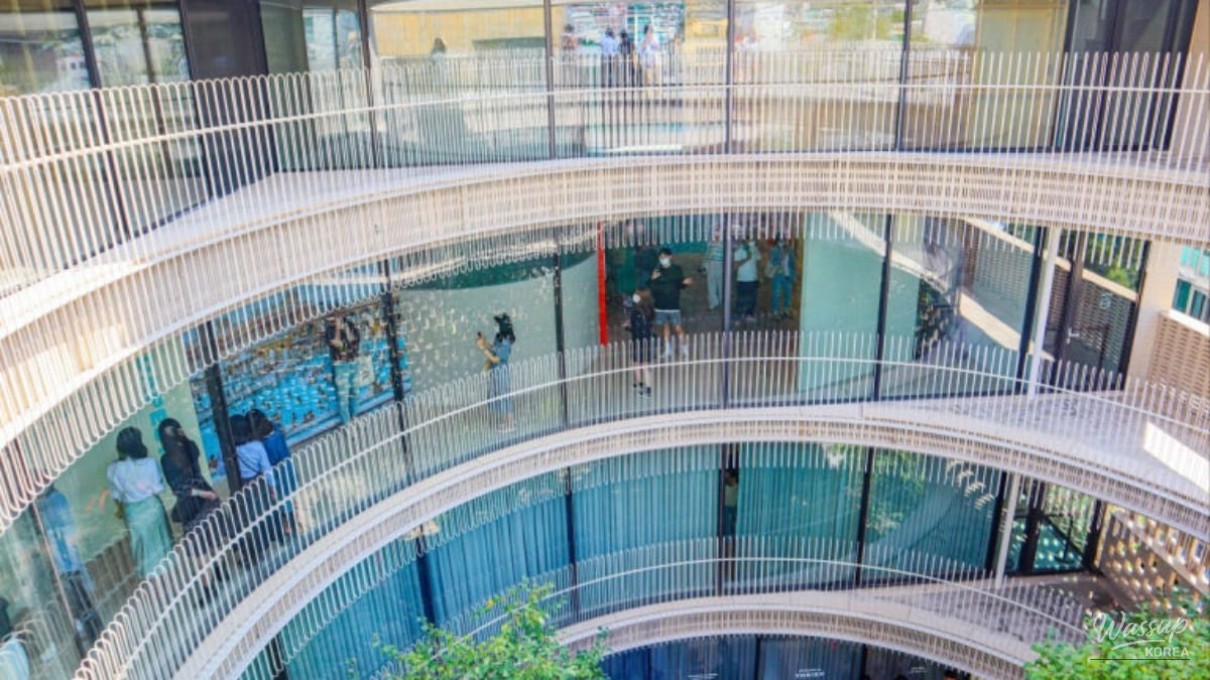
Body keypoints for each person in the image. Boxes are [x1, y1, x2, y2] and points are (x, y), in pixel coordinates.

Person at [36, 485, 101, 652]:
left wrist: (64, 561)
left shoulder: (54, 501)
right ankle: (91, 632)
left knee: (80, 600)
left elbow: (63, 531)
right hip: (65, 562)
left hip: (67, 564)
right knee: (78, 601)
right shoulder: (46, 502)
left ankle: (93, 634)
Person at [107, 428, 173, 578]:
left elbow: (116, 496)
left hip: (133, 513)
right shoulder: (150, 463)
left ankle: (151, 585)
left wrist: (121, 510)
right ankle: (168, 582)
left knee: (142, 551)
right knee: (161, 547)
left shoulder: (113, 469)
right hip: (152, 507)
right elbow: (158, 489)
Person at [231, 414, 280, 559]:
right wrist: (272, 486)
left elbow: (221, 470)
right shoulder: (257, 446)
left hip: (241, 487)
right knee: (263, 514)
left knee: (246, 519)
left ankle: (252, 550)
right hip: (258, 484)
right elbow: (266, 468)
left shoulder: (231, 451)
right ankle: (266, 543)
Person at [648, 247, 693, 359]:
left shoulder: (677, 269)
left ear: (670, 257)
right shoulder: (657, 271)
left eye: (665, 257)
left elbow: (680, 284)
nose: (663, 259)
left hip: (673, 305)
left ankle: (684, 349)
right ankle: (668, 350)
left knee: (677, 327)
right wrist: (652, 279)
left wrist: (685, 283)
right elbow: (651, 287)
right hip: (660, 305)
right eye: (661, 257)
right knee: (665, 328)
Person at [476, 314, 516, 433]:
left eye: (497, 324)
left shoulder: (506, 343)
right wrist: (484, 343)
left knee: (504, 397)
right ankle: (505, 422)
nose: (495, 326)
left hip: (502, 373)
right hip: (495, 372)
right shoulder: (499, 338)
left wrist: (482, 349)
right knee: (498, 396)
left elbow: (495, 359)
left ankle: (510, 423)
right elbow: (493, 348)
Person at [325, 312, 362, 424]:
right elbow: (338, 344)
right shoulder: (330, 331)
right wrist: (337, 329)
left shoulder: (350, 324)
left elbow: (353, 341)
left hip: (353, 362)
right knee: (344, 397)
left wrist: (345, 329)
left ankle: (355, 417)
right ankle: (347, 423)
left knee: (355, 391)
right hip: (341, 365)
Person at [626, 288, 655, 398]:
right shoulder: (649, 309)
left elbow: (635, 328)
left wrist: (628, 327)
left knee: (636, 363)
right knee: (645, 365)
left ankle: (639, 384)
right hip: (647, 339)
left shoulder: (636, 312)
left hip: (638, 341)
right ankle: (647, 387)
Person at [766, 237, 796, 319]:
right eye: (783, 240)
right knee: (776, 293)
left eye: (786, 240)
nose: (785, 242)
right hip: (778, 274)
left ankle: (786, 310)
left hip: (788, 274)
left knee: (788, 294)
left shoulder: (790, 250)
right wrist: (782, 254)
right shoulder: (774, 250)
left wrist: (794, 276)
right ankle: (775, 311)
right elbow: (773, 261)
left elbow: (793, 264)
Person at [734, 239, 761, 323]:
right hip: (742, 279)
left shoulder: (754, 249)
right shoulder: (739, 250)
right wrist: (746, 258)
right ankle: (739, 316)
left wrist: (759, 276)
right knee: (741, 299)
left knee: (752, 299)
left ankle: (749, 315)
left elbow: (757, 262)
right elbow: (735, 265)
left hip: (753, 278)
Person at [703, 228, 725, 310]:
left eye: (718, 232)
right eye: (715, 232)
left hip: (721, 264)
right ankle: (713, 303)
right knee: (711, 283)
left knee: (721, 283)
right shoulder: (710, 242)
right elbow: (707, 254)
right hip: (711, 264)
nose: (716, 234)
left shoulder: (725, 243)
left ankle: (723, 302)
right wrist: (704, 266)